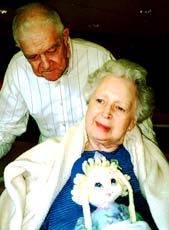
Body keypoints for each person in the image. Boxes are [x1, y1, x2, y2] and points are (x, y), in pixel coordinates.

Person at [0, 59, 168, 230]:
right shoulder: (50, 156)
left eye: (120, 108)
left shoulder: (145, 161)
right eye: (100, 101)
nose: (106, 112)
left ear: (132, 122)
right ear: (89, 103)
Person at [0, 2, 156, 159]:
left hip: (104, 161)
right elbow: (4, 129)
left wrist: (151, 166)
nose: (46, 64)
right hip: (51, 162)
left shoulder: (99, 58)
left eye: (52, 50)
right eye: (33, 57)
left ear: (65, 37)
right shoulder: (18, 68)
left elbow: (139, 122)